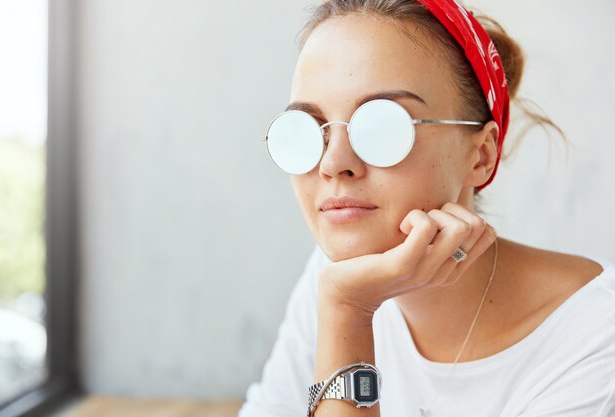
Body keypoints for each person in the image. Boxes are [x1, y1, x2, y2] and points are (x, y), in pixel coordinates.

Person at [239, 1, 615, 416]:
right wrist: (345, 306)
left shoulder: (596, 334)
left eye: (383, 126)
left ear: (482, 156)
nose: (332, 164)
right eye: (308, 130)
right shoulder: (337, 281)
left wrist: (348, 312)